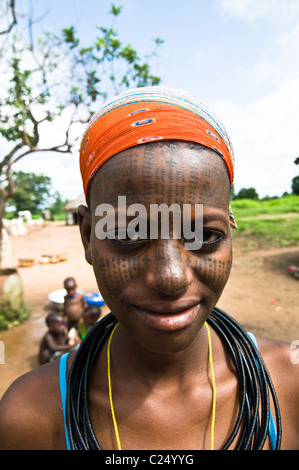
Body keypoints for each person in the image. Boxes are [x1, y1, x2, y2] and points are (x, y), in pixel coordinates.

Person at [0, 86, 298, 450]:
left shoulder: (288, 386)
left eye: (204, 234)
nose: (172, 277)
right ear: (88, 237)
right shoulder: (31, 417)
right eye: (128, 234)